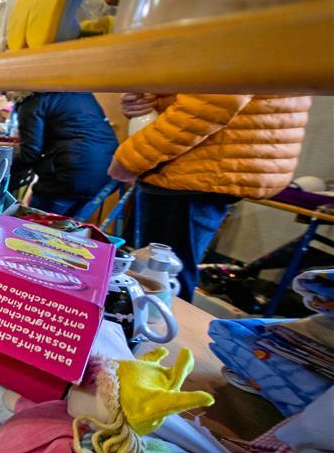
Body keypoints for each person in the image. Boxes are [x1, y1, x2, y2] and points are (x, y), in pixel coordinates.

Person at [109, 92, 311, 299]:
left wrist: (132, 158)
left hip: (191, 168)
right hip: (186, 166)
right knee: (150, 274)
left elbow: (210, 103)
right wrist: (150, 103)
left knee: (160, 281)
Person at [12, 92, 120, 217]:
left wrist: (4, 170)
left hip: (71, 173)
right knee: (68, 224)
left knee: (33, 224)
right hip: (107, 171)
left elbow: (29, 154)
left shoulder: (32, 101)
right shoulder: (79, 92)